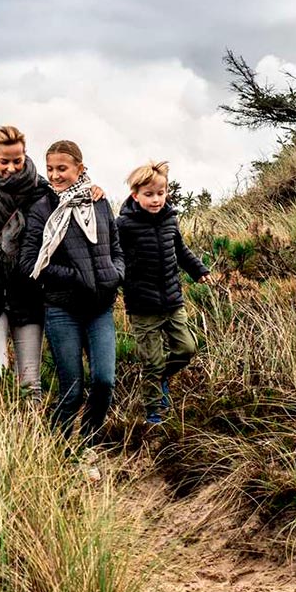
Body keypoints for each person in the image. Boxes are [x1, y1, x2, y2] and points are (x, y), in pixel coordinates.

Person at [0, 126, 104, 403]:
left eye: (17, 160)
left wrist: (92, 188)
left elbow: (72, 201)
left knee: (31, 384)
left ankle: (28, 439)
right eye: (4, 161)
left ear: (25, 156)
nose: (11, 167)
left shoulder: (42, 189)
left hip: (28, 293)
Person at [19, 140, 124, 445]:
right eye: (50, 168)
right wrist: (75, 277)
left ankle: (88, 444)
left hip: (100, 308)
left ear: (80, 167)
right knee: (72, 390)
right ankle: (59, 450)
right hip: (62, 310)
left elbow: (116, 248)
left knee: (104, 382)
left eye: (62, 168)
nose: (55, 175)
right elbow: (30, 262)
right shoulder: (42, 209)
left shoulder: (100, 202)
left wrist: (116, 273)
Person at [115, 161, 211, 425]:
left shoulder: (170, 219)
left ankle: (161, 378)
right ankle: (153, 412)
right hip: (142, 305)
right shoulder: (124, 225)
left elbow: (180, 250)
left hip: (172, 300)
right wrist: (118, 283)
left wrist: (199, 270)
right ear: (135, 195)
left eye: (160, 193)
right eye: (149, 195)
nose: (156, 199)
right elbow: (117, 258)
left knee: (187, 348)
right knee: (152, 362)